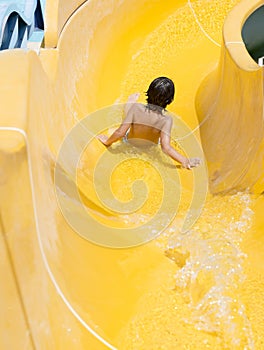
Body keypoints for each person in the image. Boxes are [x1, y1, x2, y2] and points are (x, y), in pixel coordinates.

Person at [97, 77, 201, 169]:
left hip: (129, 143)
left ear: (148, 92)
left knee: (128, 112)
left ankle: (130, 101)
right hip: (149, 149)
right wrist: (185, 160)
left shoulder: (136, 108)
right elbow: (166, 147)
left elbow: (120, 133)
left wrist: (108, 141)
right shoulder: (166, 120)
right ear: (170, 100)